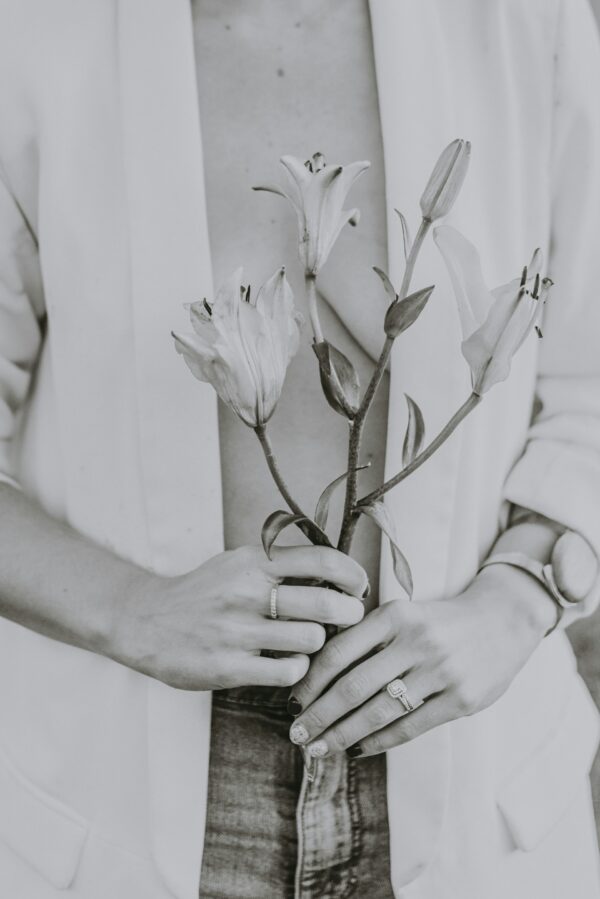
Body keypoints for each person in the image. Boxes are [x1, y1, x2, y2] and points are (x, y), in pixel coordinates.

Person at [1, 1, 600, 897]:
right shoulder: (33, 36)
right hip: (129, 777)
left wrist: (517, 597)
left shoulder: (526, 20)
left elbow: (588, 384)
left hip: (474, 774)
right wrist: (133, 610)